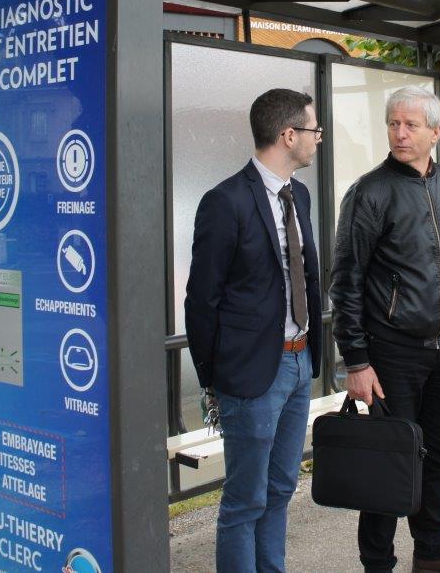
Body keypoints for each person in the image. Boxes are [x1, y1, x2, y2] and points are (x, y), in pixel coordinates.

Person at [331, 85, 440, 573]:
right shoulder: (370, 192)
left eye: (410, 125)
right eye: (393, 124)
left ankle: (432, 553)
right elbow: (346, 281)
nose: (400, 133)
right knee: (389, 462)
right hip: (391, 353)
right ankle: (377, 564)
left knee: (438, 455)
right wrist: (356, 361)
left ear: (435, 132)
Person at [184, 88, 323, 573]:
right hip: (250, 375)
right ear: (289, 135)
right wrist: (213, 378)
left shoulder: (298, 194)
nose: (318, 139)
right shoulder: (225, 201)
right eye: (313, 130)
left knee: (282, 486)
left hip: (300, 360)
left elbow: (304, 275)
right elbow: (201, 300)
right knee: (245, 500)